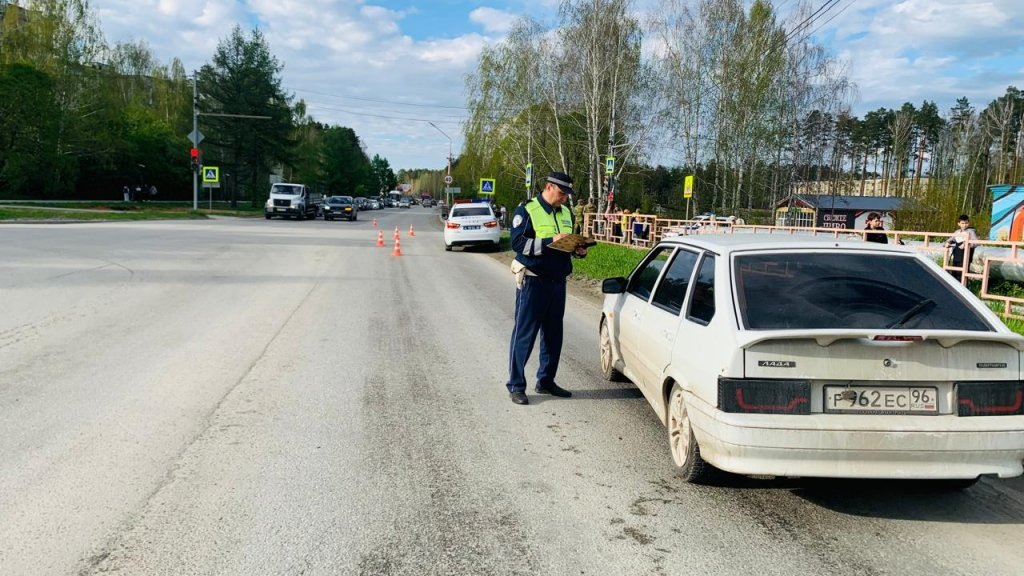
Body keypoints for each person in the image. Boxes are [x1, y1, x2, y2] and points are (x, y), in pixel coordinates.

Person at [506, 171, 587, 405]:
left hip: (557, 282)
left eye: (567, 195)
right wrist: (551, 240)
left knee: (553, 336)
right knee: (524, 335)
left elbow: (566, 244)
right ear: (549, 187)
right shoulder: (527, 210)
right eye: (562, 193)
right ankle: (516, 385)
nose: (564, 199)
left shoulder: (566, 213)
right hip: (533, 280)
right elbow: (518, 243)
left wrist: (578, 250)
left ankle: (546, 380)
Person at [944, 214, 978, 280]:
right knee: (954, 272)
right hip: (956, 255)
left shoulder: (971, 232)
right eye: (962, 223)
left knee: (962, 274)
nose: (964, 225)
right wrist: (947, 243)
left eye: (966, 223)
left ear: (968, 223)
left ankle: (962, 288)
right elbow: (950, 239)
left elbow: (976, 242)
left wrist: (967, 244)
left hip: (966, 255)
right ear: (958, 224)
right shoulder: (957, 232)